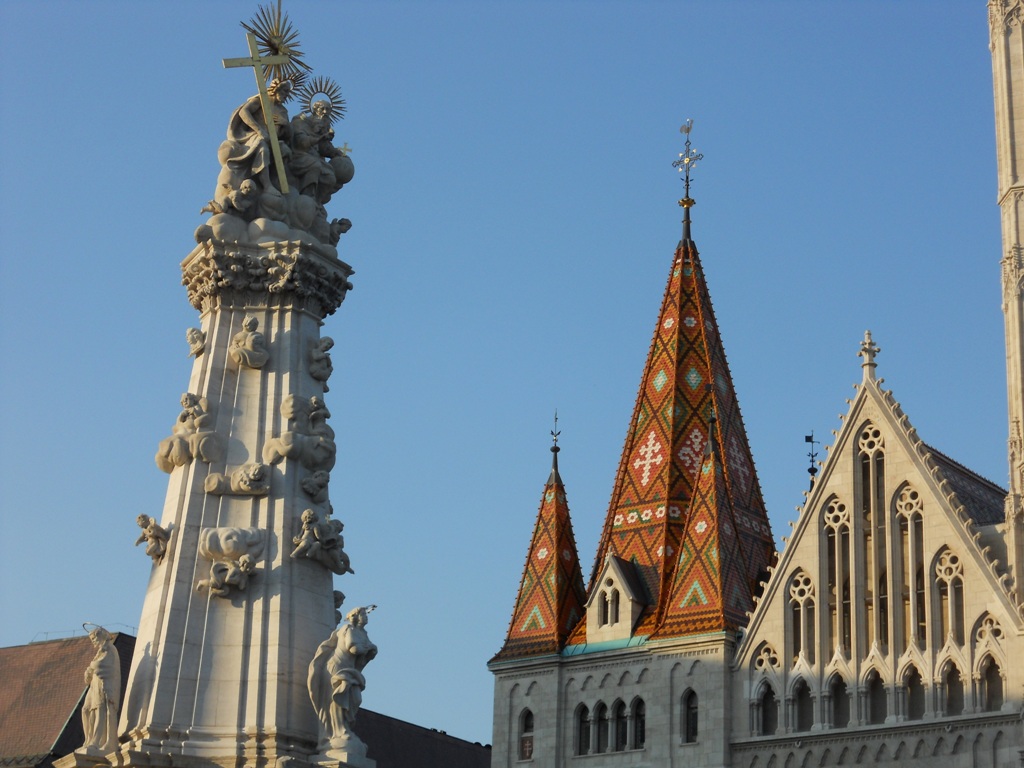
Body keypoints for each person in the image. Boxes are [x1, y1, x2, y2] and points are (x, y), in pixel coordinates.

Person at [308, 607, 378, 748]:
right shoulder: (347, 629)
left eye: (365, 613)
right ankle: (338, 731)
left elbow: (364, 653)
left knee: (355, 698)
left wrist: (371, 650)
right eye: (363, 614)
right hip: (336, 667)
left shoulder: (363, 633)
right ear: (355, 616)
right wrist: (369, 648)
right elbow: (353, 648)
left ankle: (343, 727)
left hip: (350, 670)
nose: (366, 616)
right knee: (337, 699)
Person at [80, 627, 121, 754]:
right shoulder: (100, 651)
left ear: (101, 636)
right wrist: (89, 672)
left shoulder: (110, 649)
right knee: (85, 710)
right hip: (94, 685)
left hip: (104, 685)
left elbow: (104, 666)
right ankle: (89, 739)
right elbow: (93, 668)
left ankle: (96, 741)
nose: (93, 642)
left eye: (94, 639)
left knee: (100, 710)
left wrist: (92, 667)